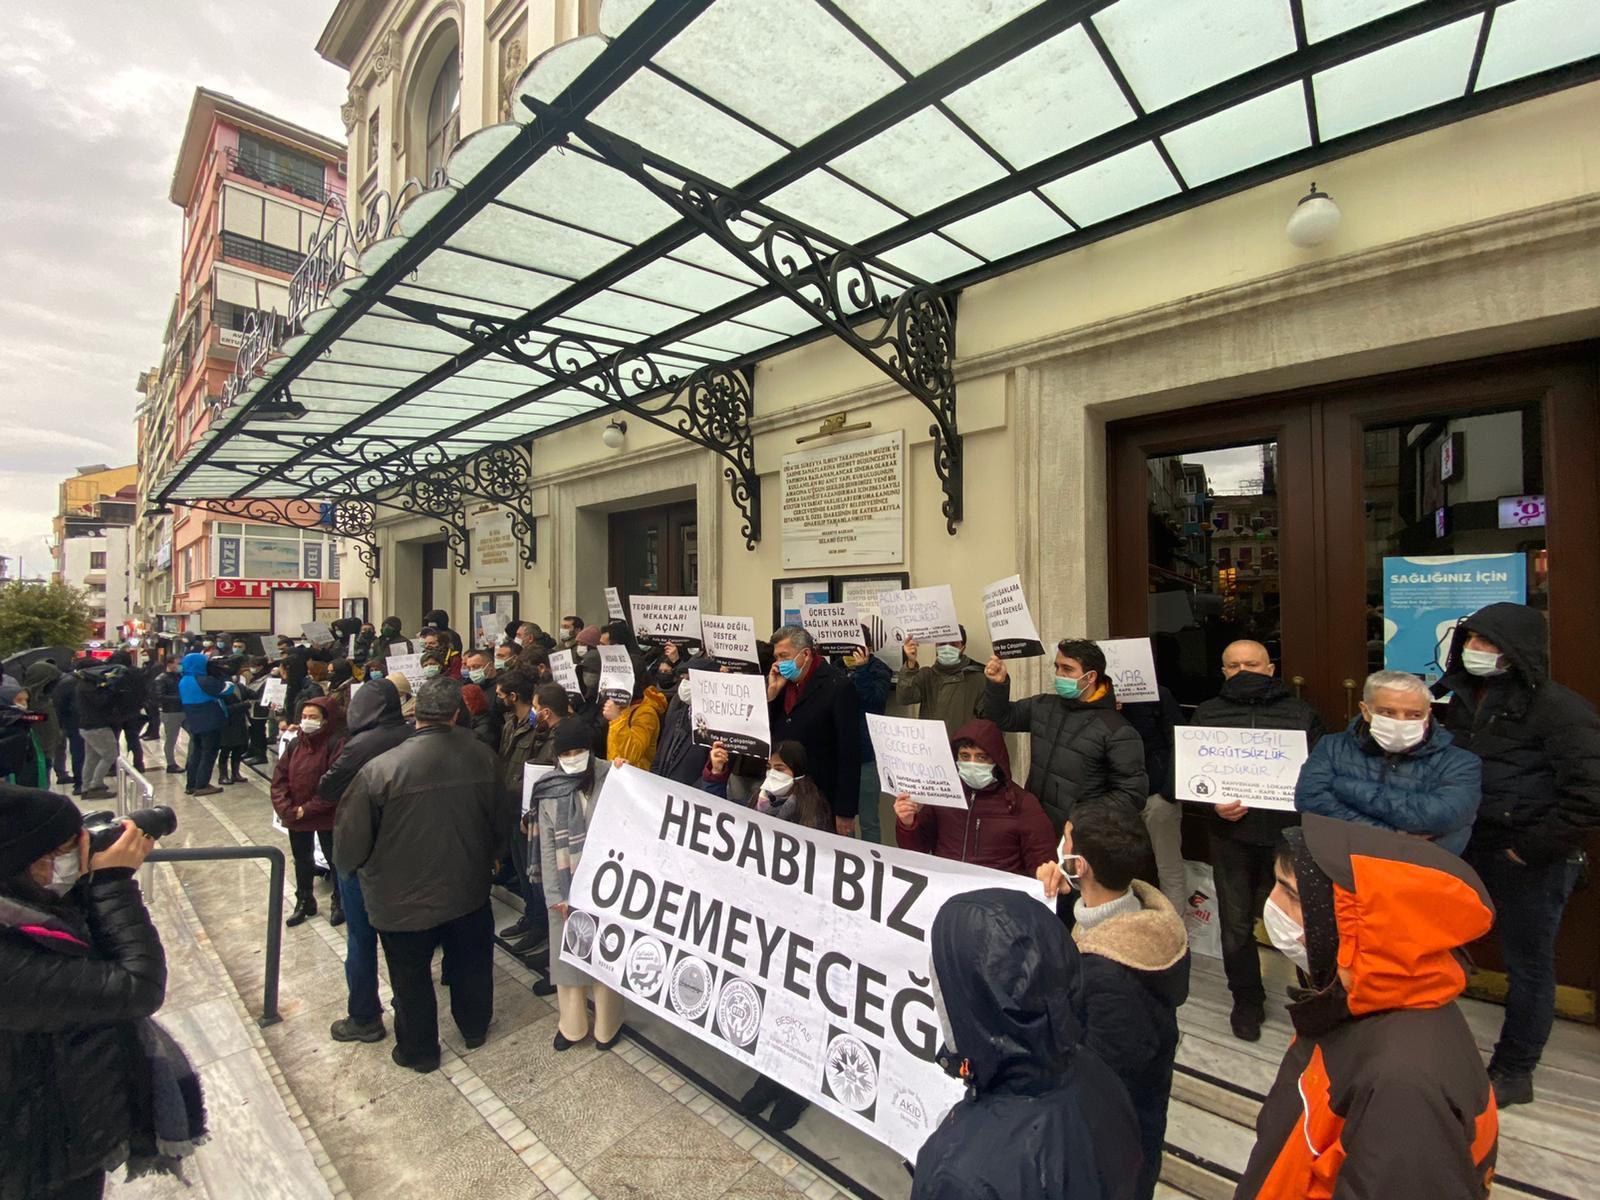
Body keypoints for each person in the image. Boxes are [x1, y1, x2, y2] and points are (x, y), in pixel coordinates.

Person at [1235, 815, 1498, 1198]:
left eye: (1292, 895)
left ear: (1350, 920)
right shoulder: (1354, 1004)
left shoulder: (1404, 1087)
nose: (1271, 905)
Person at [1, 786, 210, 1200]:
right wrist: (111, 882)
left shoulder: (25, 909)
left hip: (54, 1127)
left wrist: (82, 880)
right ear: (23, 863)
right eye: (64, 848)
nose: (75, 856)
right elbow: (136, 987)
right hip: (37, 1160)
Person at [1437, 602, 1600, 1105]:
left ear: (1517, 652)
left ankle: (1514, 1069)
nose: (1475, 651)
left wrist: (1526, 852)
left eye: (1488, 644)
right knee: (1442, 940)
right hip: (1469, 846)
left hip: (1530, 858)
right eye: (1471, 640)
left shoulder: (1561, 709)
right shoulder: (1462, 698)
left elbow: (1589, 796)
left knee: (1529, 964)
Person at [911, 887, 1142, 1200]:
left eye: (945, 990)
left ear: (974, 1007)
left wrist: (962, 1142)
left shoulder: (959, 1176)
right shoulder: (1100, 1075)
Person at [334, 676, 507, 1072]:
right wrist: (493, 856)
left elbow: (349, 844)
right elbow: (501, 817)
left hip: (402, 901)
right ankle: (474, 1026)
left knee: (410, 978)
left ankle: (419, 1050)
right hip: (467, 888)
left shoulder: (380, 771)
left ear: (415, 714)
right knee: (472, 963)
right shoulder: (483, 756)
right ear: (456, 714)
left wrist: (356, 871)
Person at [1039, 806, 1188, 1200]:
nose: (1060, 845)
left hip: (1106, 1157)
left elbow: (1097, 1086)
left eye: (1066, 839)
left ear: (1080, 864)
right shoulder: (1135, 920)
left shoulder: (1110, 978)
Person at [1190, 639, 1324, 1042]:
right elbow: (1189, 778)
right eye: (1234, 666)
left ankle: (1318, 998)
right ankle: (1246, 999)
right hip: (1231, 836)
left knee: (1308, 923)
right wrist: (1211, 805)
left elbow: (1320, 776)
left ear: (1270, 668)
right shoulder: (1207, 714)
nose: (1243, 671)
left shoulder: (1302, 714)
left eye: (1251, 663)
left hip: (1289, 837)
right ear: (1223, 672)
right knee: (1235, 925)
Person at [1295, 669, 1481, 854]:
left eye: (1414, 715)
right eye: (1388, 713)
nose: (1401, 722)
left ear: (1428, 715)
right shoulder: (1332, 747)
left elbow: (1442, 816)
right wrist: (1390, 835)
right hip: (1344, 864)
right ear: (1365, 711)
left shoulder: (1461, 763)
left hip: (1421, 869)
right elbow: (1310, 800)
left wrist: (1345, 787)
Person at [320, 677, 413, 1044]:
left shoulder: (359, 746)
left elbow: (327, 787)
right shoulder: (410, 734)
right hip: (405, 846)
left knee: (360, 939)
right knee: (403, 939)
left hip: (364, 849)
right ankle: (406, 1007)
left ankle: (364, 1015)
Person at [979, 638, 1147, 833]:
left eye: (1067, 669)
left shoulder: (1116, 729)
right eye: (1057, 667)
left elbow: (1132, 793)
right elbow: (1002, 718)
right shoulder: (1043, 705)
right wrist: (997, 685)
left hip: (1078, 835)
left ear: (1090, 677)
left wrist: (1082, 818)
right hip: (1034, 823)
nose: (1059, 674)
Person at [532, 720, 621, 1051]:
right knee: (567, 959)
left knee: (605, 957)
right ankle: (571, 1026)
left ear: (591, 750)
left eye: (579, 751)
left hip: (606, 887)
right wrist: (555, 895)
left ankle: (607, 1027)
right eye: (566, 753)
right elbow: (545, 845)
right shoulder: (548, 787)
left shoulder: (612, 776)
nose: (573, 758)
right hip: (566, 886)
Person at [893, 718, 1055, 876]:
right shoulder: (944, 794)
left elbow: (1043, 864)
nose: (972, 763)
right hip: (946, 892)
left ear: (996, 761)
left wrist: (1046, 874)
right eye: (965, 756)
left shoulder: (1022, 803)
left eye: (981, 757)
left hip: (998, 898)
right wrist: (908, 824)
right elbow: (916, 853)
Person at [765, 626, 861, 835]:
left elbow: (849, 753)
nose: (779, 663)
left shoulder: (838, 687)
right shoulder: (781, 685)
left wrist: (845, 811)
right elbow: (768, 732)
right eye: (777, 657)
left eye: (784, 656)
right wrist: (771, 694)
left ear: (806, 654)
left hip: (821, 798)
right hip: (783, 795)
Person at [494, 673, 556, 982]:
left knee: (535, 875)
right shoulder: (510, 724)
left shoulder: (541, 732)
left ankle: (539, 925)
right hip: (511, 807)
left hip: (530, 811)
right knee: (521, 866)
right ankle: (530, 918)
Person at [271, 697, 347, 928]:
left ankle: (339, 901)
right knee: (302, 860)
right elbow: (279, 777)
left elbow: (335, 783)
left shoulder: (336, 743)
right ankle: (304, 900)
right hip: (296, 814)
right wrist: (286, 808)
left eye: (313, 717)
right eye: (304, 717)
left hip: (325, 814)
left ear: (326, 719)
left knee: (334, 859)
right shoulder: (295, 744)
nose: (307, 721)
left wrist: (309, 808)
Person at [1116, 680, 1188, 917]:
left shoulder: (1160, 694)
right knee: (1117, 865)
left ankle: (1175, 936)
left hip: (1157, 796)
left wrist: (1168, 793)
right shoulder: (1098, 698)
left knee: (1169, 867)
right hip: (1119, 796)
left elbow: (1180, 739)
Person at [843, 640, 893, 844]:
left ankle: (874, 864)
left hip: (867, 754)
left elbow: (874, 702)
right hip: (842, 753)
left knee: (868, 819)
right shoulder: (837, 668)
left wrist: (862, 670)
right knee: (844, 817)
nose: (849, 653)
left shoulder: (880, 670)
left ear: (867, 647)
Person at [897, 625, 986, 734]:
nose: (947, 648)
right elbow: (904, 698)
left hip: (962, 747)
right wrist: (910, 663)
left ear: (963, 648)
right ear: (936, 646)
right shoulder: (927, 675)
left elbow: (988, 723)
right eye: (942, 644)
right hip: (931, 744)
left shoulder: (978, 678)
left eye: (953, 644)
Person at [650, 657, 715, 785]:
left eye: (689, 679)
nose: (684, 684)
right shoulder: (677, 716)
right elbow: (659, 758)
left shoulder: (719, 728)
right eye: (683, 678)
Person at [178, 650, 234, 797]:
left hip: (193, 722)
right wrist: (225, 677)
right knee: (208, 754)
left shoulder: (184, 680)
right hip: (209, 721)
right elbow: (228, 689)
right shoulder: (204, 681)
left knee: (195, 753)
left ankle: (191, 784)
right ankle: (202, 785)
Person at [74, 657, 128, 801]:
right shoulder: (88, 686)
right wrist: (110, 690)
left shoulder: (83, 684)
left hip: (87, 725)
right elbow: (101, 702)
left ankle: (86, 786)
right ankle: (95, 786)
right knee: (110, 754)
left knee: (92, 757)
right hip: (97, 725)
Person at [606, 680, 667, 770]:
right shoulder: (622, 708)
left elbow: (632, 755)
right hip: (616, 772)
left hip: (635, 777)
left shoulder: (646, 713)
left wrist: (616, 719)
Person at [22, 661, 65, 787]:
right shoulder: (26, 699)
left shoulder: (45, 698)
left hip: (48, 750)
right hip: (35, 753)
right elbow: (25, 718)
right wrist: (39, 717)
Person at [0, 684, 48, 788]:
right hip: (10, 767)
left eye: (26, 700)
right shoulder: (7, 716)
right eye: (19, 700)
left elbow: (41, 717)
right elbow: (36, 717)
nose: (24, 703)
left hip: (27, 760)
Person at [107, 651, 147, 775]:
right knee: (133, 738)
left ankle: (114, 766)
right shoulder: (138, 673)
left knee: (114, 740)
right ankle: (139, 764)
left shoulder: (114, 673)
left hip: (116, 711)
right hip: (134, 710)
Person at [152, 656, 185, 774]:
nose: (180, 665)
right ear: (170, 664)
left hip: (183, 710)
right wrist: (180, 699)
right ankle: (171, 764)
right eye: (178, 663)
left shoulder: (180, 677)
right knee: (171, 739)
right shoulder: (161, 679)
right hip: (171, 712)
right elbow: (160, 697)